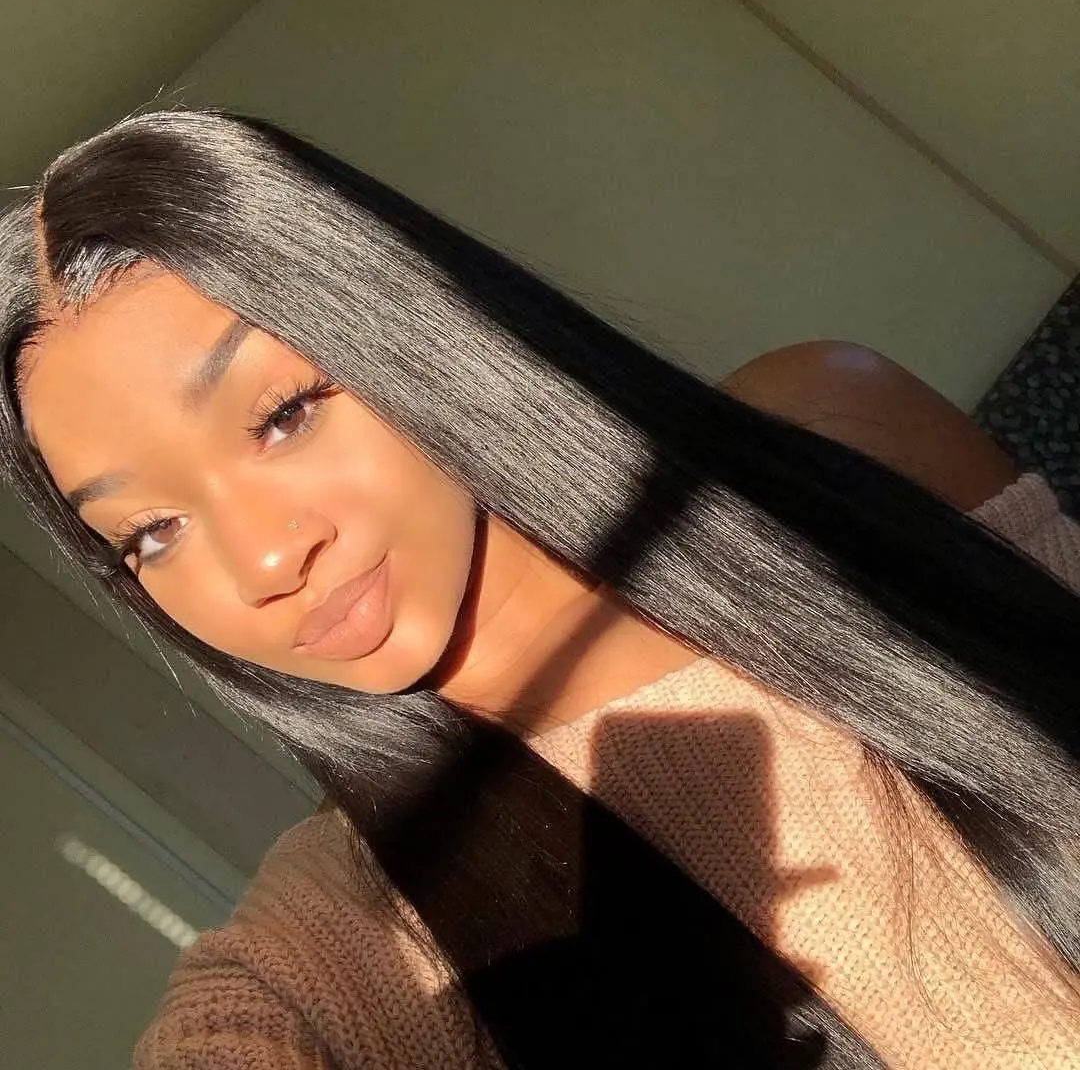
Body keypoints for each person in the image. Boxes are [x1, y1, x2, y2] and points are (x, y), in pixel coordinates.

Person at [1, 108, 1078, 1069]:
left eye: (281, 416)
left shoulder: (837, 429)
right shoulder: (350, 928)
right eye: (149, 533)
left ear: (406, 325)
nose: (264, 564)